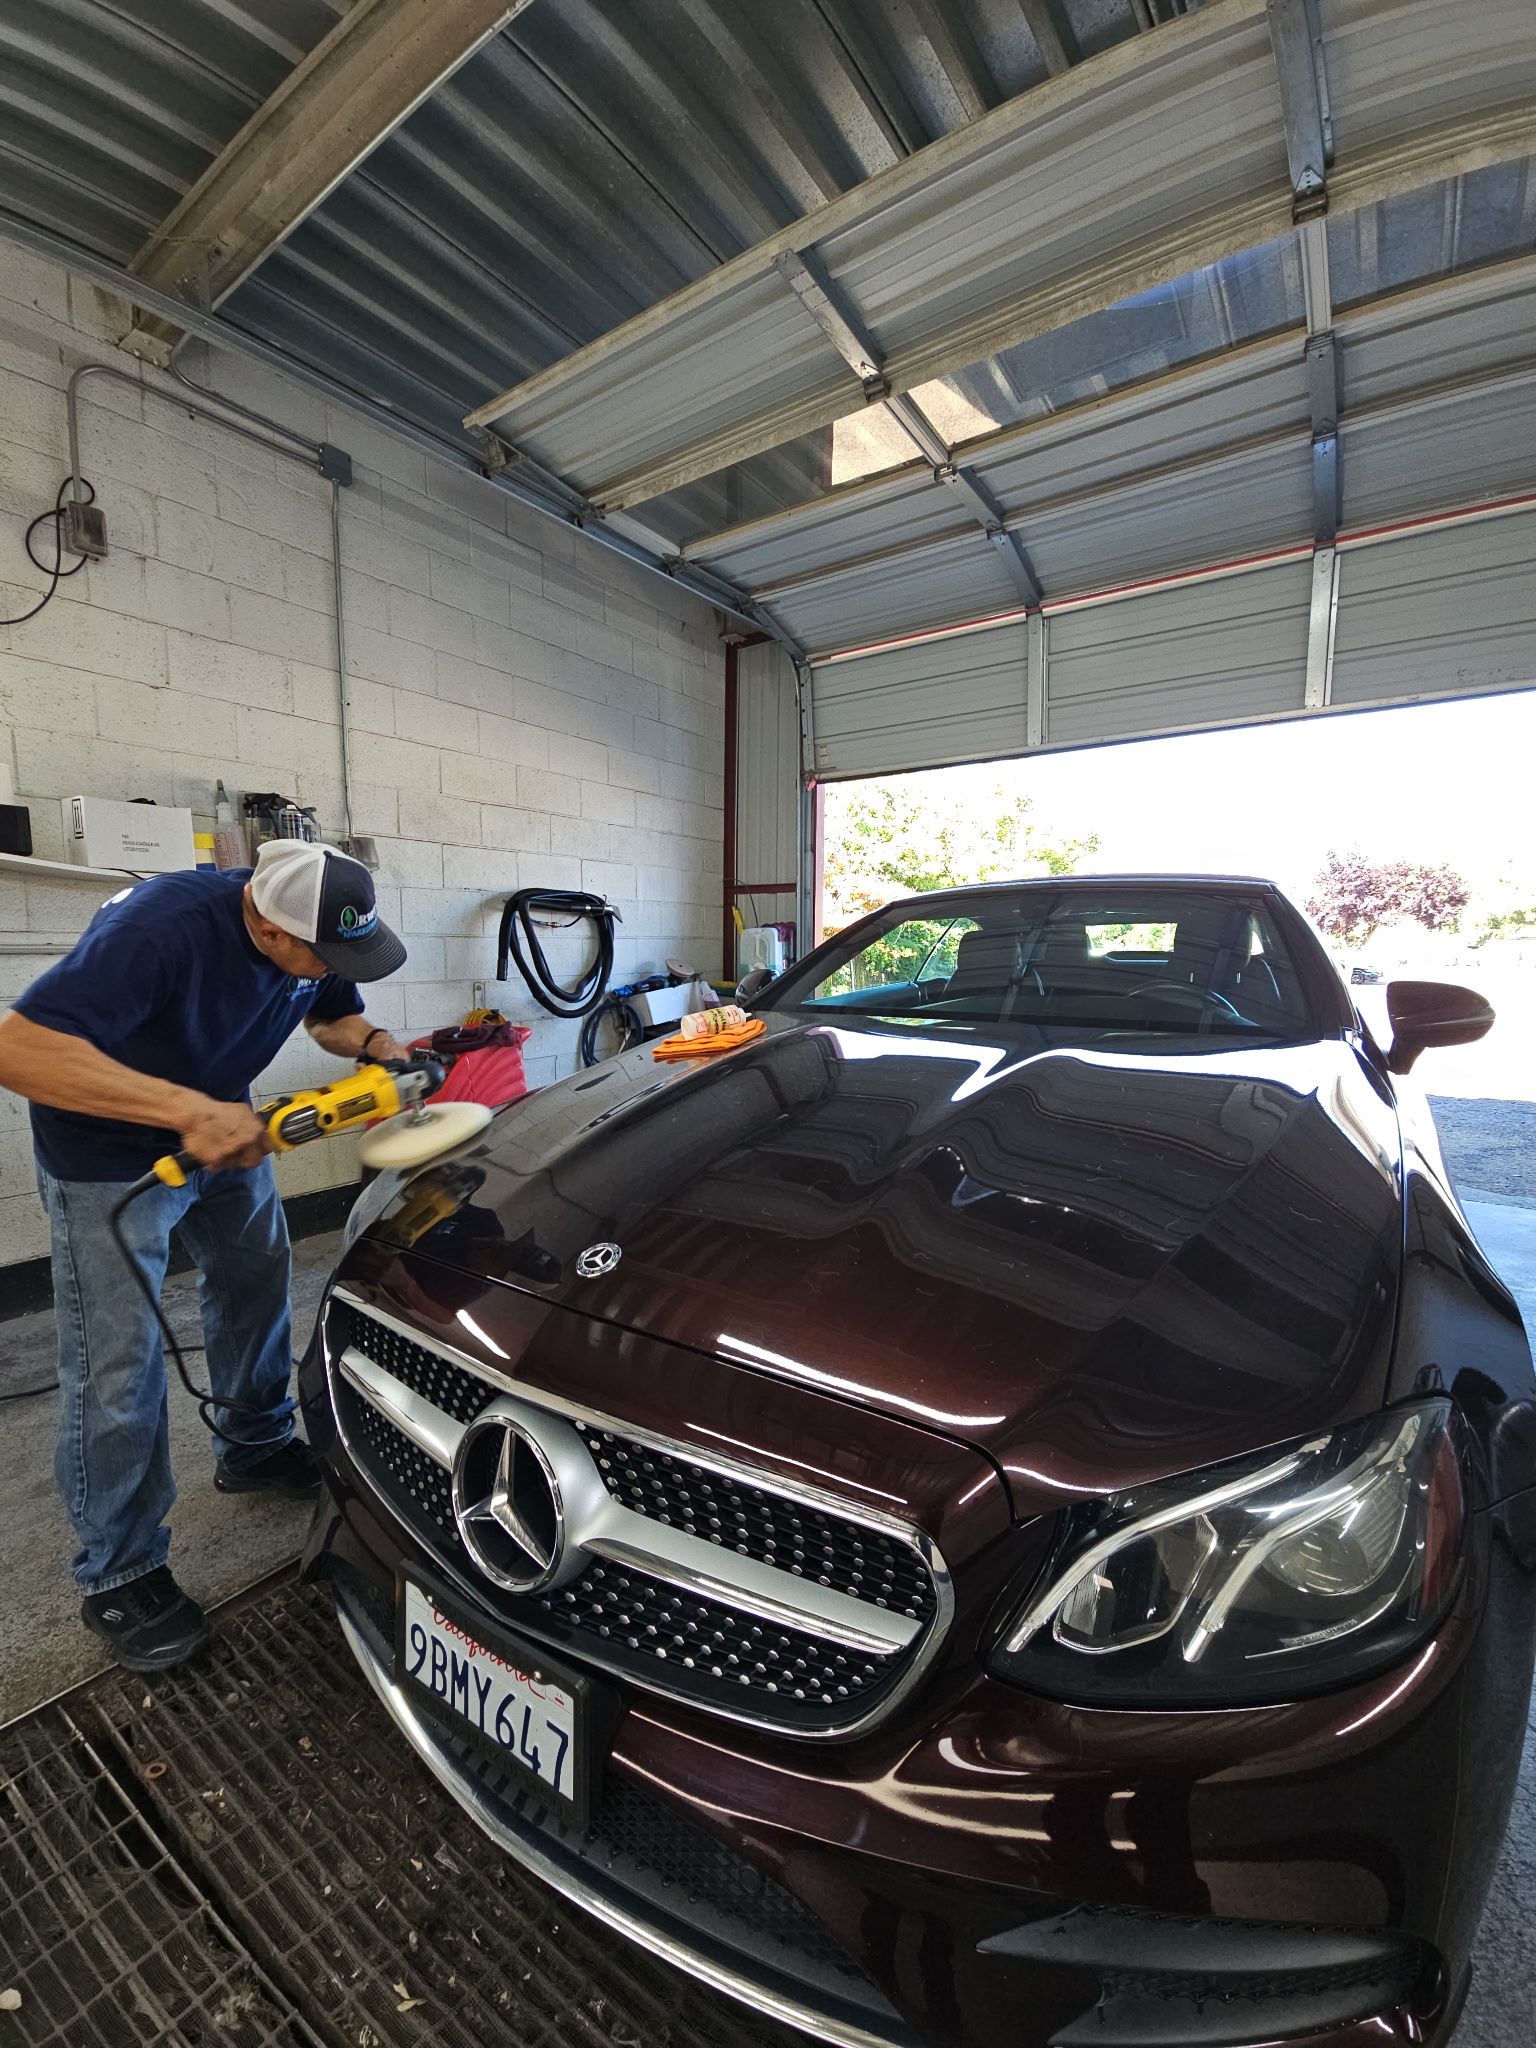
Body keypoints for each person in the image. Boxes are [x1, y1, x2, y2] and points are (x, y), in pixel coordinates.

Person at [0, 838, 410, 1673]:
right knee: (118, 1358)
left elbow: (330, 1012)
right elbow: (20, 1048)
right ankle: (121, 1570)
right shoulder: (160, 930)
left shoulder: (310, 930)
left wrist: (375, 1046)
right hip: (108, 1159)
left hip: (223, 1129)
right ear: (263, 923)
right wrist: (186, 1110)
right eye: (319, 952)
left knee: (258, 1281)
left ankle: (253, 1445)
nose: (333, 963)